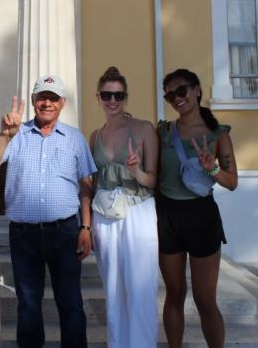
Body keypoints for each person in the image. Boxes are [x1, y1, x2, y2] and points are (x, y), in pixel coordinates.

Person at [0, 75, 97, 348]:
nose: (47, 103)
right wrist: (4, 135)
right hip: (24, 235)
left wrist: (86, 227)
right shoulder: (16, 134)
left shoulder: (74, 138)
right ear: (33, 101)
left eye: (53, 98)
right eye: (42, 97)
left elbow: (86, 186)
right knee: (28, 305)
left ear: (62, 103)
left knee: (71, 304)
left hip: (66, 232)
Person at [157, 68, 238, 348]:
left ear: (197, 90)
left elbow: (231, 182)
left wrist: (212, 167)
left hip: (202, 218)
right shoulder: (164, 131)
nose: (176, 98)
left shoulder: (218, 134)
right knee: (174, 293)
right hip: (167, 217)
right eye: (170, 94)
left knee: (205, 299)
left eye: (182, 91)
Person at [89, 67, 159, 347]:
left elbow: (152, 180)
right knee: (114, 291)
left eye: (119, 95)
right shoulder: (94, 136)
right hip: (103, 216)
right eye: (107, 95)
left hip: (137, 211)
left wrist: (137, 171)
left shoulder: (143, 129)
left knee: (141, 289)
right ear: (99, 97)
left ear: (126, 97)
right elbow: (91, 183)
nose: (113, 100)